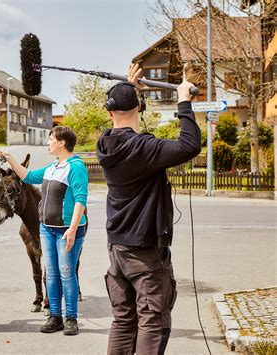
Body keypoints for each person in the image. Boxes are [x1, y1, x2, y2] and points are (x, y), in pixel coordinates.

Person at [96, 63, 201, 354]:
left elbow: (125, 122)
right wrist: (183, 101)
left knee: (123, 320)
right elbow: (190, 145)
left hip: (117, 248)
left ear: (109, 112)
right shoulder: (144, 148)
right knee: (152, 320)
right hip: (144, 251)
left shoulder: (105, 143)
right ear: (140, 107)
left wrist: (132, 92)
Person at [0, 126, 88, 336]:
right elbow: (27, 176)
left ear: (62, 143)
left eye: (51, 139)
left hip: (66, 230)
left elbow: (81, 199)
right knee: (52, 274)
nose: (48, 143)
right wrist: (9, 157)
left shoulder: (76, 167)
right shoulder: (53, 167)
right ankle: (55, 317)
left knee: (67, 272)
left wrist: (73, 229)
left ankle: (71, 318)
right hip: (47, 229)